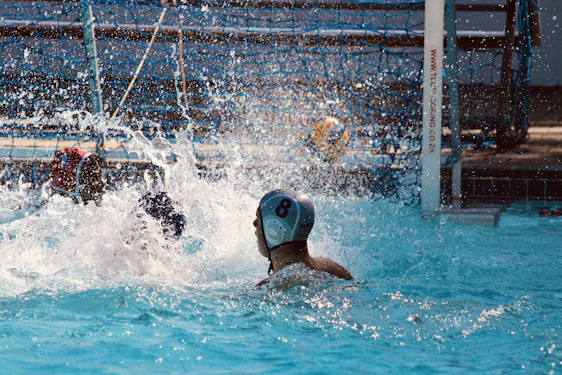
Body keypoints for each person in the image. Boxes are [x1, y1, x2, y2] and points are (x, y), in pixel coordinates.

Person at [51, 147, 185, 239]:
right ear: (75, 183)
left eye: (102, 175)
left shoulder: (108, 215)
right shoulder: (68, 223)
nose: (103, 182)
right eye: (93, 176)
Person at [253, 189, 353, 287]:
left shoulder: (269, 287)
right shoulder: (337, 271)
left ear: (274, 226)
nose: (254, 224)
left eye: (258, 219)